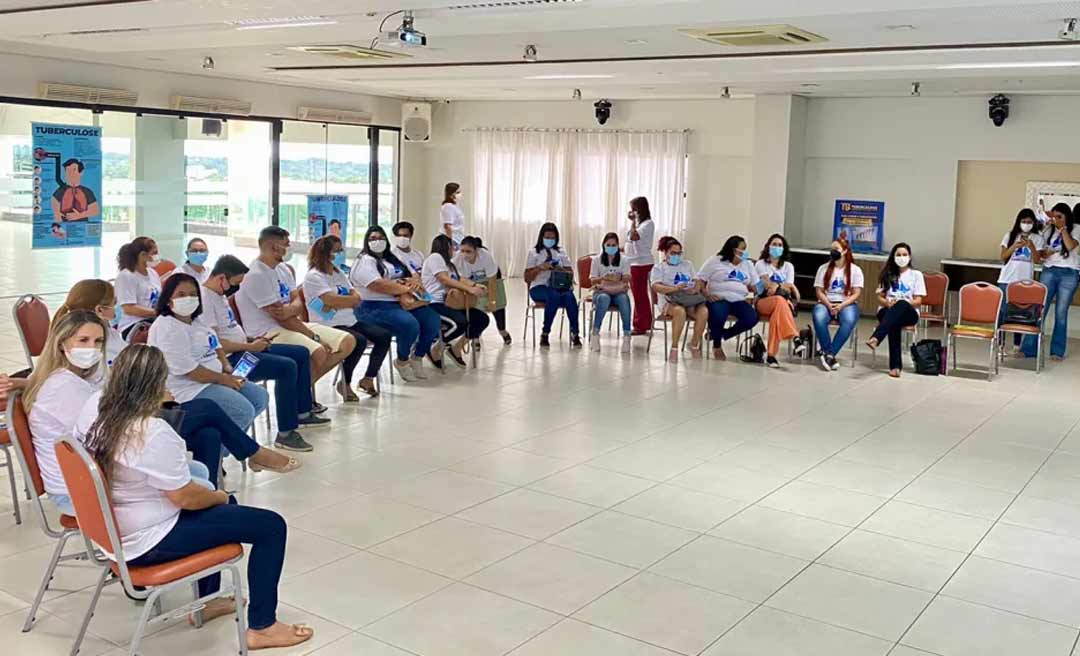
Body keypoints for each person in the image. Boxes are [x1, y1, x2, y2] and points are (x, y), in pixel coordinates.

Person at [76, 345, 314, 650]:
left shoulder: (94, 407)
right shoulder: (151, 432)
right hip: (150, 539)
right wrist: (217, 496)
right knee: (270, 526)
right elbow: (185, 498)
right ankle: (262, 626)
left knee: (227, 509)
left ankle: (208, 601)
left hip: (115, 528)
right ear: (157, 385)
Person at [23, 312, 214, 516]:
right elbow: (115, 436)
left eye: (98, 342)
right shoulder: (64, 387)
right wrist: (152, 405)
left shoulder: (78, 378)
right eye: (83, 340)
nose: (92, 348)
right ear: (61, 343)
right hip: (76, 490)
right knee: (202, 486)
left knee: (199, 466)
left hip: (91, 472)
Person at [203, 255, 330, 453]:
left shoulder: (219, 296)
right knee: (286, 366)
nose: (234, 290)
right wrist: (250, 348)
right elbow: (215, 344)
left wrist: (253, 343)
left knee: (300, 353)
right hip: (232, 361)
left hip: (244, 348)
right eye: (234, 284)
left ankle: (303, 411)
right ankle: (286, 433)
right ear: (222, 278)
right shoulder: (205, 300)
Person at [235, 226, 355, 387]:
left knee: (348, 341)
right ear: (274, 247)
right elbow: (282, 318)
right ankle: (302, 396)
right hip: (267, 332)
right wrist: (313, 336)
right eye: (286, 244)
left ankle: (303, 388)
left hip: (291, 324)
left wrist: (291, 309)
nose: (289, 248)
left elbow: (298, 300)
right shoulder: (256, 275)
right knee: (319, 352)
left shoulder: (283, 269)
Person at [149, 273, 270, 432]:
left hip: (214, 378)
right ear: (168, 299)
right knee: (242, 410)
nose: (188, 298)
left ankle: (233, 442)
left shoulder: (196, 320)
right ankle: (220, 452)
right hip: (188, 388)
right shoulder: (168, 328)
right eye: (181, 295)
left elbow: (215, 344)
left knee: (259, 397)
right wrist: (224, 379)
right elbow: (190, 372)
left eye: (193, 295)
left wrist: (227, 368)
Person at [350, 225, 443, 382]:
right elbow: (378, 285)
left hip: (398, 302)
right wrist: (405, 287)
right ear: (366, 242)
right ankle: (402, 360)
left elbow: (410, 275)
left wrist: (413, 283)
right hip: (372, 307)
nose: (377, 241)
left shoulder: (390, 259)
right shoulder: (365, 261)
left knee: (432, 320)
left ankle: (418, 357)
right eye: (372, 239)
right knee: (409, 324)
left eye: (380, 238)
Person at [302, 236, 392, 399]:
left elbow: (355, 295)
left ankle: (368, 378)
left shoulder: (338, 273)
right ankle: (346, 383)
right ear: (325, 253)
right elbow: (330, 300)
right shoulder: (314, 276)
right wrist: (347, 301)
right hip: (328, 324)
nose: (339, 253)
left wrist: (344, 301)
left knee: (384, 336)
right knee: (358, 340)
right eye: (336, 251)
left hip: (350, 320)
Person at [1021, 202, 1079, 360]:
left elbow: (1071, 245)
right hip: (1049, 271)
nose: (1056, 219)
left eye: (1059, 217)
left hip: (1069, 273)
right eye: (1054, 217)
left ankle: (1057, 351)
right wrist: (1046, 253)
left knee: (1061, 312)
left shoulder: (1077, 228)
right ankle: (1028, 349)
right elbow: (1042, 254)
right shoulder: (1048, 231)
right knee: (1040, 309)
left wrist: (1063, 229)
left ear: (1067, 217)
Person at [423, 234, 489, 367]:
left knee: (481, 319)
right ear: (446, 246)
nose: (454, 250)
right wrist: (469, 290)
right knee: (459, 323)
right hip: (435, 303)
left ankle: (456, 349)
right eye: (452, 246)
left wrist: (475, 285)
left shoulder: (449, 264)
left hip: (452, 302)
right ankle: (433, 349)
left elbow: (458, 279)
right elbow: (444, 279)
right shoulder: (435, 258)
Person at [867, 243, 925, 378]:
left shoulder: (916, 275)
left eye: (904, 254)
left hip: (909, 312)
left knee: (902, 305)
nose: (901, 257)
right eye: (898, 255)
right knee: (893, 322)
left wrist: (903, 303)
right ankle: (895, 367)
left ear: (910, 257)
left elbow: (918, 301)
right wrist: (887, 303)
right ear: (893, 257)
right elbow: (880, 298)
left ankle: (876, 337)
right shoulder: (887, 274)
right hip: (887, 311)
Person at [699, 235, 761, 360]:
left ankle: (722, 334)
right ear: (733, 250)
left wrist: (761, 291)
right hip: (719, 298)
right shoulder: (715, 261)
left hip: (739, 300)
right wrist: (707, 295)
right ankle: (717, 346)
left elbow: (756, 286)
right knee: (719, 314)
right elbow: (700, 280)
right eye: (742, 249)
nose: (745, 252)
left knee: (752, 318)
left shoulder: (748, 264)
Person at [524, 222, 582, 349]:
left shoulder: (561, 251)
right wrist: (540, 267)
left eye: (552, 238)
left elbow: (570, 273)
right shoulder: (534, 252)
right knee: (553, 296)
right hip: (539, 287)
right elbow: (526, 277)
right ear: (542, 237)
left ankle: (575, 333)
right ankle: (545, 332)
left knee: (569, 297)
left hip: (559, 286)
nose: (550, 240)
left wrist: (559, 268)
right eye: (547, 237)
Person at [651, 236, 707, 362]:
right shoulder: (659, 268)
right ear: (665, 253)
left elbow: (697, 280)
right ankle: (674, 347)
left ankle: (694, 344)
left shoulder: (688, 264)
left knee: (704, 312)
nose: (676, 256)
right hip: (669, 300)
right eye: (673, 253)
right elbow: (656, 286)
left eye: (679, 253)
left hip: (689, 299)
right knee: (679, 311)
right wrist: (675, 288)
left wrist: (695, 289)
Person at [812, 236, 864, 371]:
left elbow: (856, 293)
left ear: (845, 251)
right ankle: (829, 354)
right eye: (831, 249)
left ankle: (829, 354)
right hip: (826, 302)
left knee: (848, 320)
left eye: (836, 249)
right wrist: (829, 305)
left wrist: (841, 306)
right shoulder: (823, 269)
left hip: (847, 304)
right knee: (818, 316)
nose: (833, 252)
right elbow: (819, 291)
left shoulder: (855, 270)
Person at [754, 233, 803, 368]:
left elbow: (787, 289)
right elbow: (767, 286)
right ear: (768, 246)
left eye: (780, 245)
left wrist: (778, 286)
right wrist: (782, 286)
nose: (777, 247)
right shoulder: (761, 264)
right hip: (763, 301)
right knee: (780, 302)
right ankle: (795, 337)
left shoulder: (788, 266)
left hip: (781, 302)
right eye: (774, 244)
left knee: (779, 307)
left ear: (784, 249)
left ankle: (771, 356)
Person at [51, 279, 126, 368]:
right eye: (114, 303)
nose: (118, 306)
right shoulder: (90, 341)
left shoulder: (109, 332)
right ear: (99, 310)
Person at [998, 209, 1043, 353]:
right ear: (1018, 222)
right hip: (1007, 279)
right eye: (1024, 221)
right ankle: (1000, 343)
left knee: (1021, 313)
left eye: (1029, 222)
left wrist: (1031, 246)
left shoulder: (1038, 238)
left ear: (1034, 223)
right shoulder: (1010, 235)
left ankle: (1017, 345)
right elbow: (1003, 256)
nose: (1026, 224)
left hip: (1025, 282)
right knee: (1003, 312)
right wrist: (1014, 246)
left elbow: (1037, 260)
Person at [454, 236, 512, 346]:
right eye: (462, 251)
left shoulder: (486, 257)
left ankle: (502, 331)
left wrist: (492, 302)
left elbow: (492, 281)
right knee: (476, 307)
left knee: (497, 306)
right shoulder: (457, 259)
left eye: (468, 251)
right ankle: (475, 337)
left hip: (492, 278)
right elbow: (456, 277)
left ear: (476, 251)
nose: (464, 254)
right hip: (473, 281)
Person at [589, 232, 632, 353]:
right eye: (608, 245)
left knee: (624, 300)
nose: (611, 247)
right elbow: (592, 280)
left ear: (618, 246)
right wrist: (605, 278)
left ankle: (627, 336)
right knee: (604, 298)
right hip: (601, 291)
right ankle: (595, 334)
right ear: (603, 245)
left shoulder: (624, 259)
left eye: (614, 245)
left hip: (618, 291)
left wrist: (618, 277)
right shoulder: (597, 260)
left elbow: (627, 277)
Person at [115, 236, 161, 340]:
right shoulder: (127, 276)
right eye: (154, 253)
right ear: (143, 255)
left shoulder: (152, 273)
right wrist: (157, 312)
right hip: (133, 325)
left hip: (152, 320)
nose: (157, 256)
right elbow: (129, 308)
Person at [626, 196, 656, 335]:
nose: (632, 212)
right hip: (634, 261)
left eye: (634, 209)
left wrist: (632, 223)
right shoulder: (640, 224)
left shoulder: (647, 224)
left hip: (641, 263)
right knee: (639, 295)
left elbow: (634, 237)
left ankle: (641, 325)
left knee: (640, 295)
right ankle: (644, 322)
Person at [51, 157, 99, 222]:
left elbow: (95, 210)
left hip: (82, 227)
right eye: (68, 170)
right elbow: (55, 206)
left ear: (81, 172)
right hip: (65, 226)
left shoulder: (87, 191)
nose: (70, 173)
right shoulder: (61, 191)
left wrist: (79, 216)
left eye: (73, 170)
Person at [441, 182, 465, 248]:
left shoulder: (454, 206)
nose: (460, 194)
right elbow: (448, 226)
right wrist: (450, 244)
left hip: (458, 239)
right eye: (457, 192)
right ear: (451, 193)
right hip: (453, 240)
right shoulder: (448, 206)